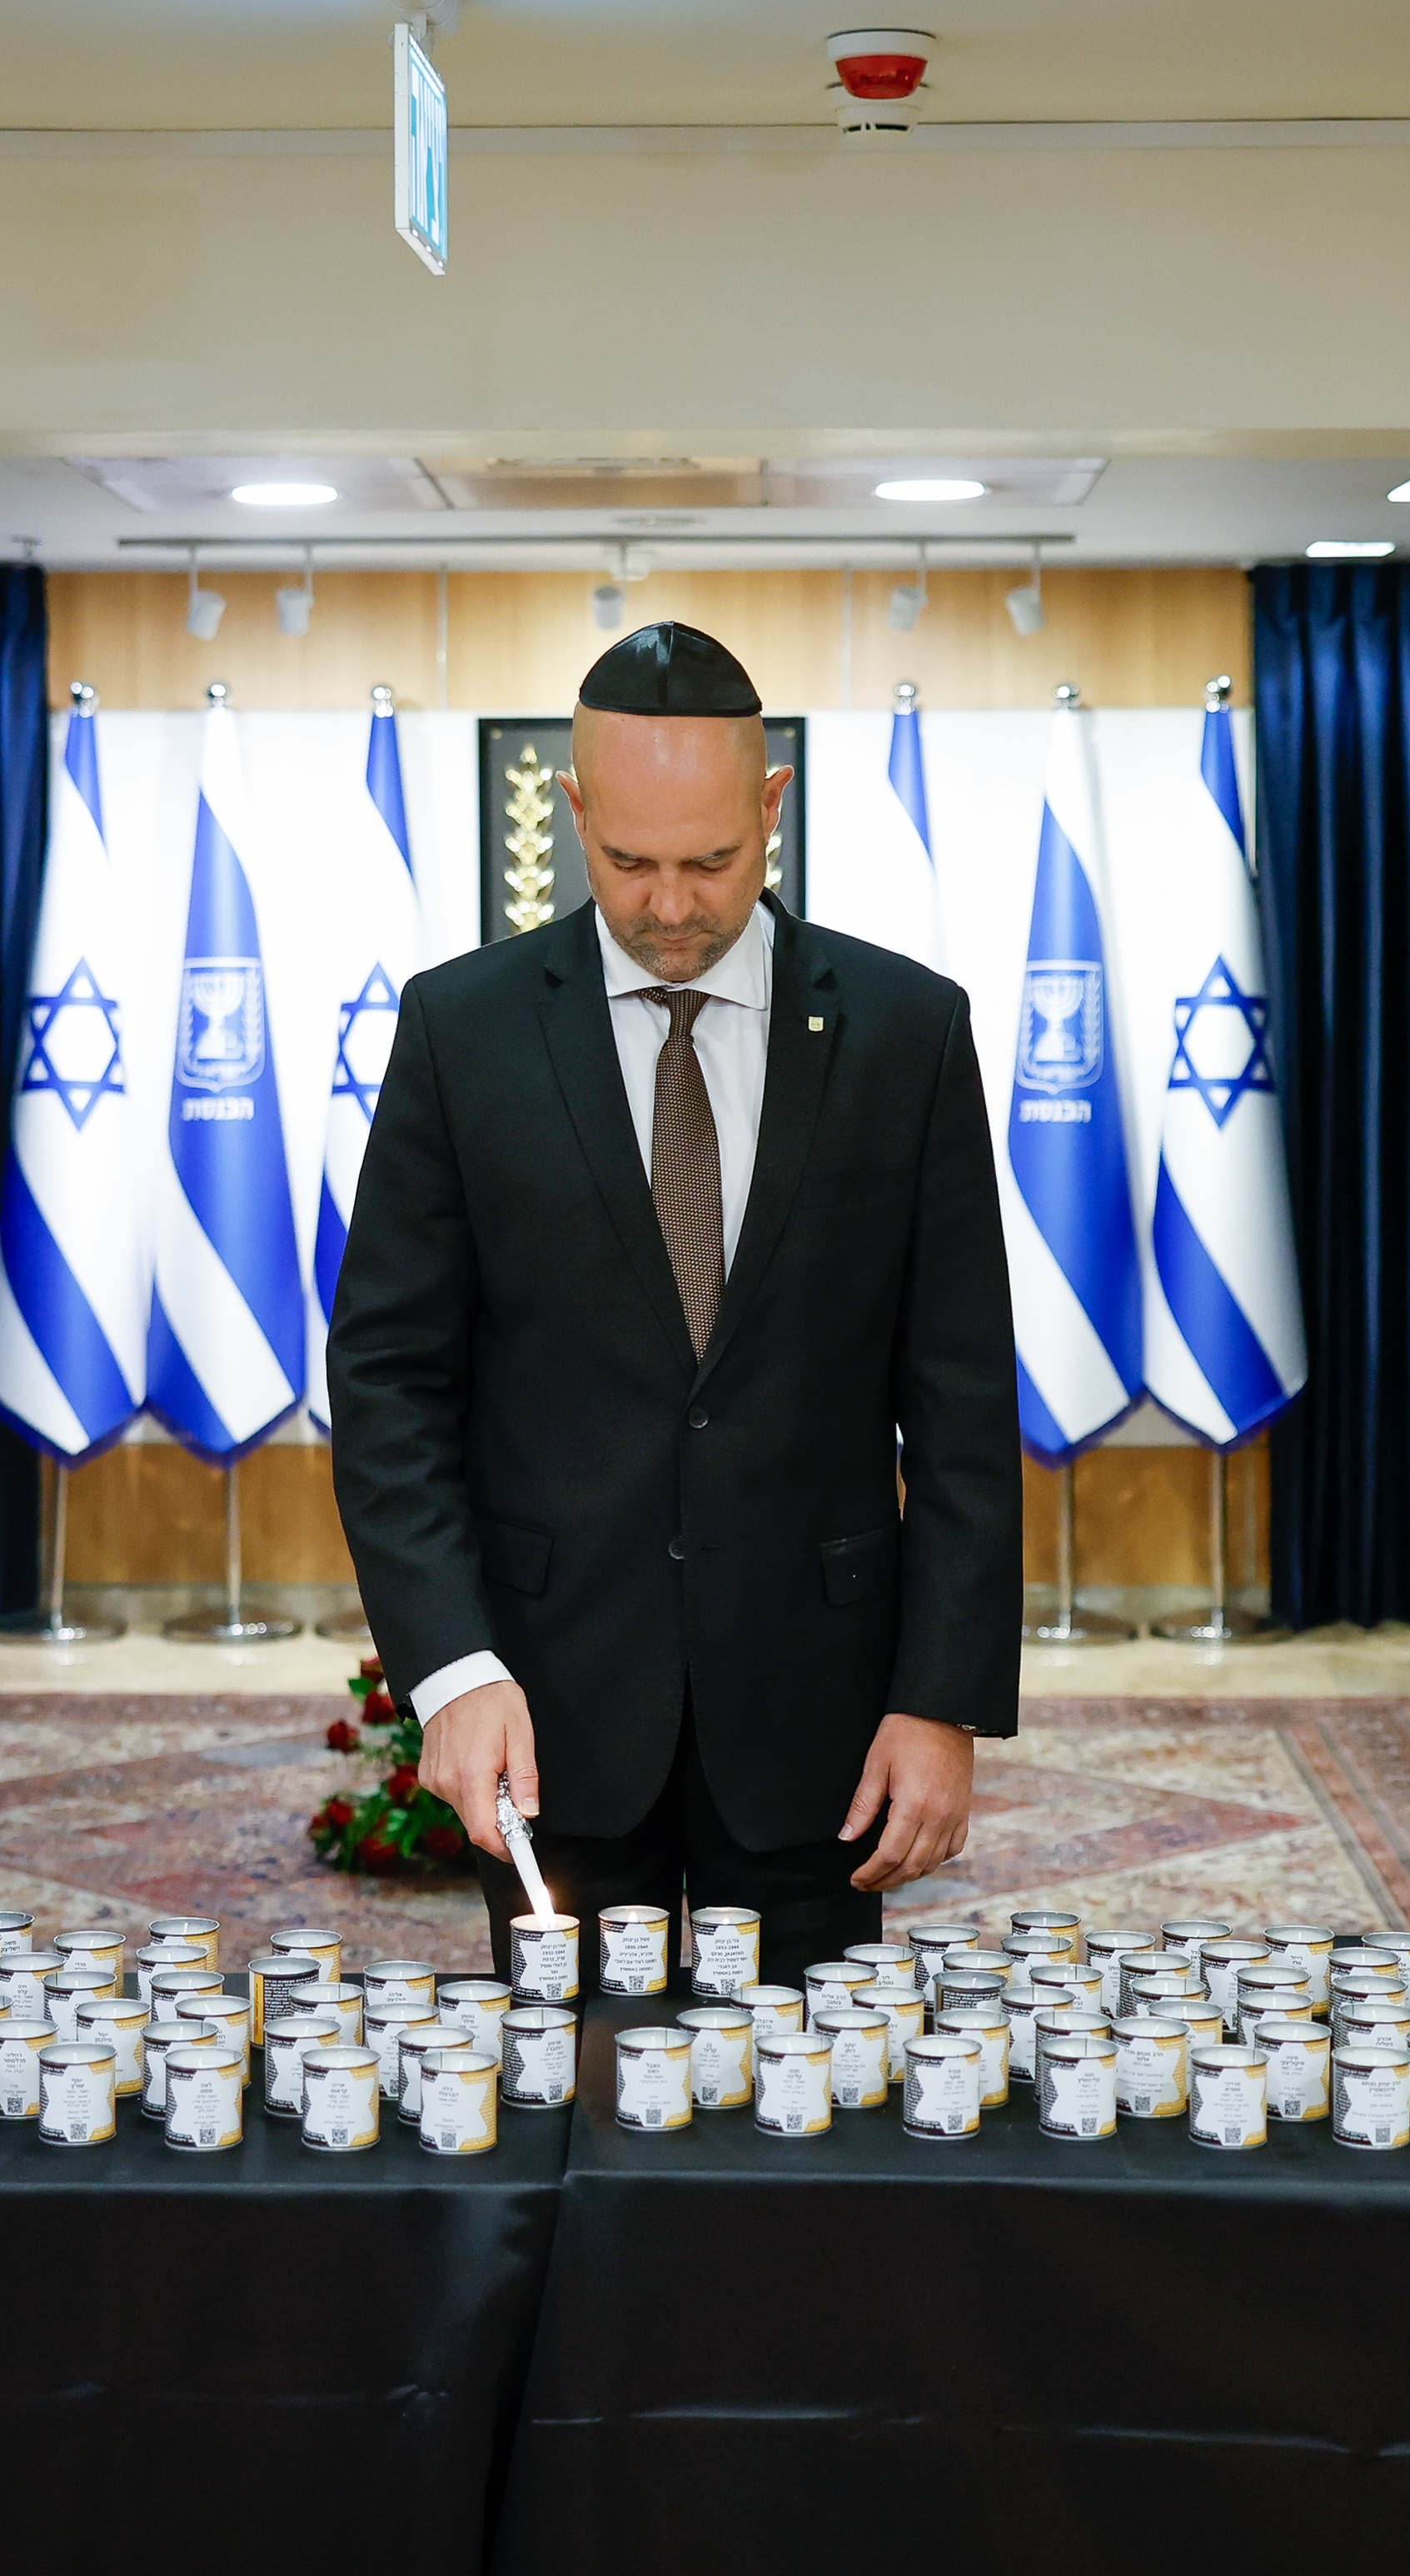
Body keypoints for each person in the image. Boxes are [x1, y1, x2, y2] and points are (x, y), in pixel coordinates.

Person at [326, 622, 1019, 1985]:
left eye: (711, 860)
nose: (671, 905)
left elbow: (959, 1400)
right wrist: (452, 1671)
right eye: (628, 861)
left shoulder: (904, 1033)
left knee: (813, 2132)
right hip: (546, 1700)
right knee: (569, 2114)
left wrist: (940, 1699)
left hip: (821, 1716)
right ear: (571, 810)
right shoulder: (460, 1033)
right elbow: (391, 1381)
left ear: (772, 806)